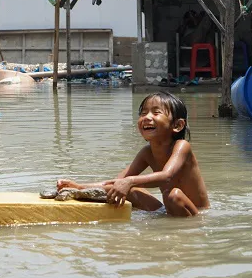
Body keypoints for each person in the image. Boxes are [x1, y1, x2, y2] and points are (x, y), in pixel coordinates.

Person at [58, 91, 209, 217]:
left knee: (173, 195)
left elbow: (166, 176)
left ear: (177, 125)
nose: (147, 117)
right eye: (143, 113)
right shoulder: (146, 152)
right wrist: (78, 187)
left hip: (195, 213)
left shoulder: (182, 146)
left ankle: (182, 231)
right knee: (126, 190)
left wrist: (129, 181)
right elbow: (118, 182)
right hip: (168, 209)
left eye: (156, 113)